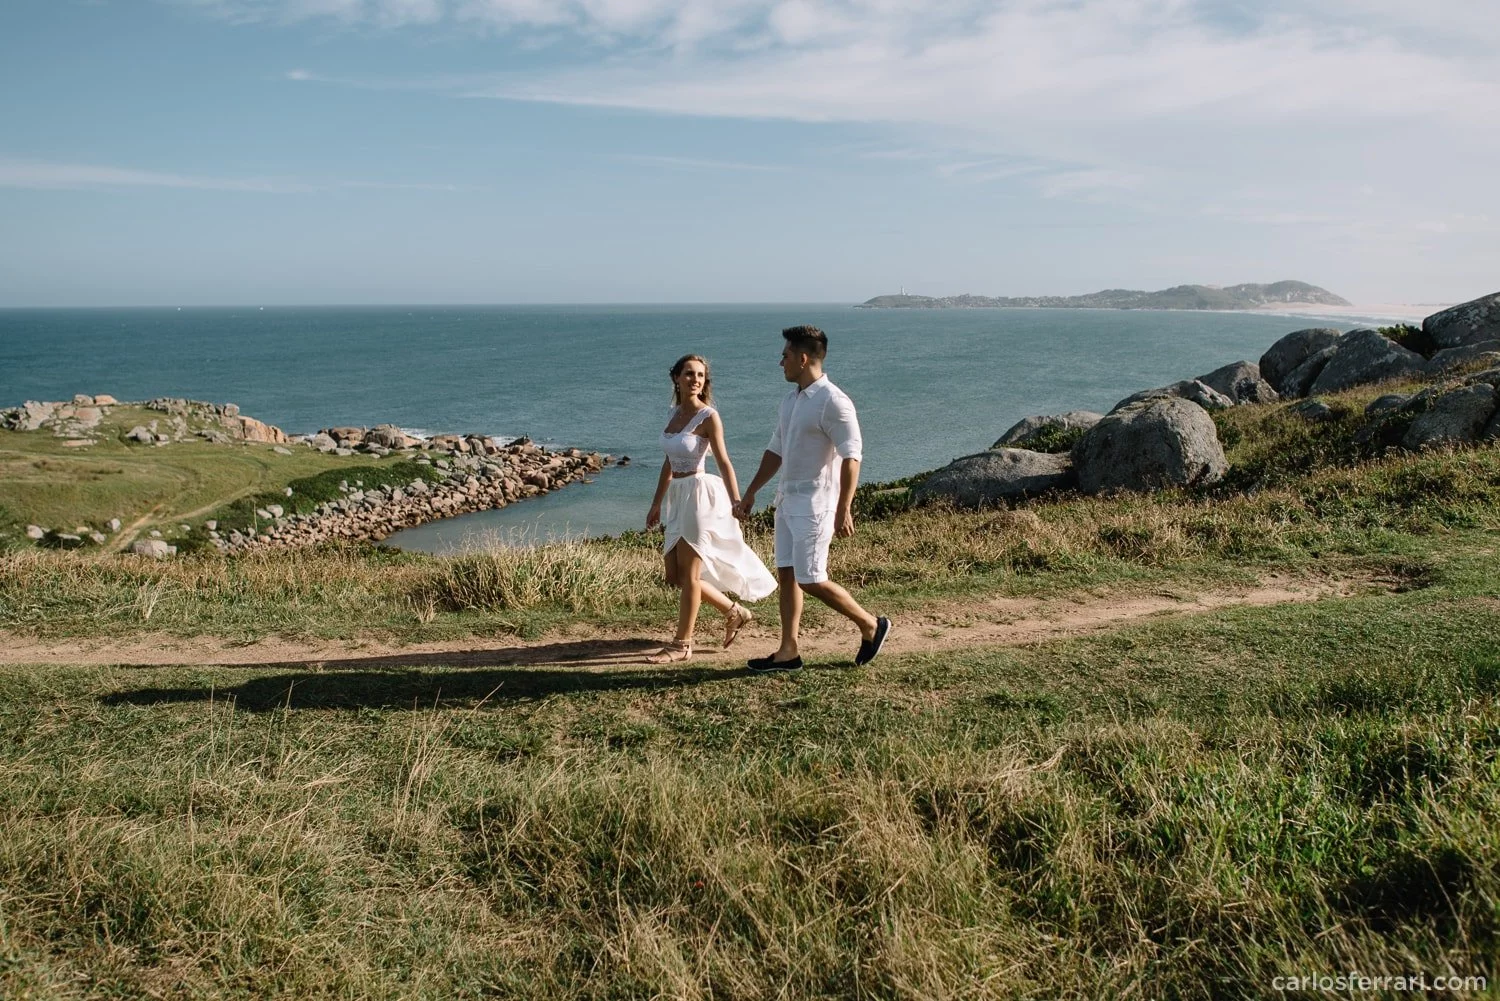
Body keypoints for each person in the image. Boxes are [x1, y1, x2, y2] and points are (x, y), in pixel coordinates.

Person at [733, 325, 890, 671]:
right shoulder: (790, 401)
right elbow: (776, 450)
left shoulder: (834, 401)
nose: (781, 362)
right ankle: (788, 651)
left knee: (811, 577)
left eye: (785, 356)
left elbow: (853, 455)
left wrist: (844, 507)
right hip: (786, 502)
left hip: (816, 506)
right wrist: (750, 492)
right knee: (787, 575)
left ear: (803, 359)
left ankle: (870, 624)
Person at [644, 354, 776, 664]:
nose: (695, 379)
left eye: (700, 375)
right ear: (676, 378)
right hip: (678, 497)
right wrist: (656, 503)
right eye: (689, 374)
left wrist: (737, 500)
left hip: (701, 497)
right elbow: (669, 461)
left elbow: (724, 461)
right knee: (675, 575)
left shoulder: (708, 417)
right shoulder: (674, 414)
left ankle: (681, 644)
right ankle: (735, 612)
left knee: (690, 575)